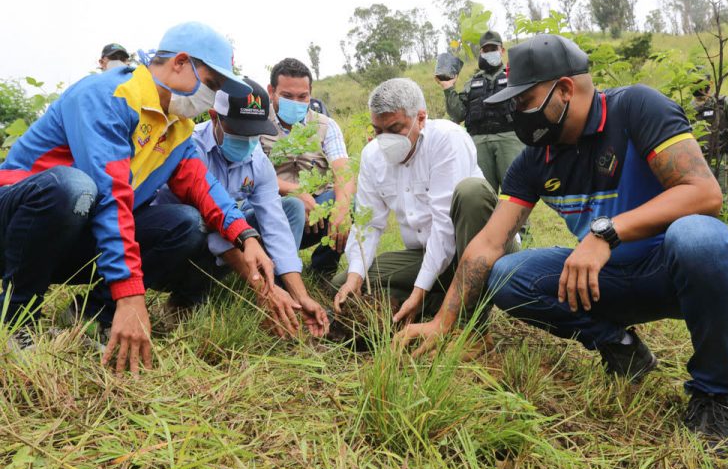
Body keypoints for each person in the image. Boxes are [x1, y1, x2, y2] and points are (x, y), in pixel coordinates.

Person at [396, 34, 728, 442]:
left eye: (525, 101)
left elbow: (704, 194)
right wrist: (442, 322)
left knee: (700, 238)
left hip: (675, 272)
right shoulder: (536, 159)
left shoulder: (637, 108)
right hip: (605, 281)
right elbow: (488, 244)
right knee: (506, 274)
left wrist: (607, 233)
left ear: (564, 89)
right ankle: (620, 346)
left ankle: (714, 393)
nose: (517, 114)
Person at [0, 21, 271, 376]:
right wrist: (130, 295)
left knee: (186, 223)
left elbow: (202, 186)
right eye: (212, 83)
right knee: (75, 187)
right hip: (20, 225)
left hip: (76, 231)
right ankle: (16, 318)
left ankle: (92, 315)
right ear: (180, 63)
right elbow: (110, 195)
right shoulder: (108, 96)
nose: (212, 96)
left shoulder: (176, 125)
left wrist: (245, 236)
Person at [154, 78, 328, 337]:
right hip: (174, 243)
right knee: (195, 222)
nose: (247, 141)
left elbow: (275, 226)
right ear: (214, 117)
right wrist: (264, 290)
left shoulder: (257, 160)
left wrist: (301, 295)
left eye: (253, 133)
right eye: (239, 132)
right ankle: (185, 299)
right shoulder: (191, 148)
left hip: (227, 232)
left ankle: (284, 298)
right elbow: (213, 227)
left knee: (288, 209)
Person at [332, 78, 514, 326]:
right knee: (344, 284)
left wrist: (418, 290)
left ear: (420, 118)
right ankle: (443, 302)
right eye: (378, 131)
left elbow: (444, 227)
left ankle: (470, 324)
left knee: (471, 192)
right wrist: (355, 276)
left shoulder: (447, 139)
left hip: (483, 250)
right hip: (428, 255)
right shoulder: (372, 156)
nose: (384, 139)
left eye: (394, 128)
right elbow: (368, 223)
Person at [259, 58, 355, 277]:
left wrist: (341, 209)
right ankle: (278, 273)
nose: (296, 102)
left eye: (302, 96)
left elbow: (343, 171)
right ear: (271, 92)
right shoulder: (257, 124)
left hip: (315, 212)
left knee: (349, 202)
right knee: (291, 204)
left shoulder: (326, 126)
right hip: (273, 210)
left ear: (310, 93)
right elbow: (251, 175)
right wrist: (296, 192)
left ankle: (322, 271)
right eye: (287, 96)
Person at [437, 31, 525, 193]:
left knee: (516, 192)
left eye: (494, 49)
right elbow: (458, 114)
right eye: (486, 49)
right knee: (483, 193)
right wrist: (448, 89)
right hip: (478, 143)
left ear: (502, 50)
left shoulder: (514, 76)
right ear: (481, 52)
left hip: (509, 139)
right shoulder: (472, 82)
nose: (490, 52)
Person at [691, 68, 728, 216]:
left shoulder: (725, 103)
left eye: (700, 82)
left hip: (723, 162)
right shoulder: (688, 109)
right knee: (701, 207)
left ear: (710, 83)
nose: (698, 86)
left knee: (727, 204)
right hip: (698, 165)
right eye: (694, 82)